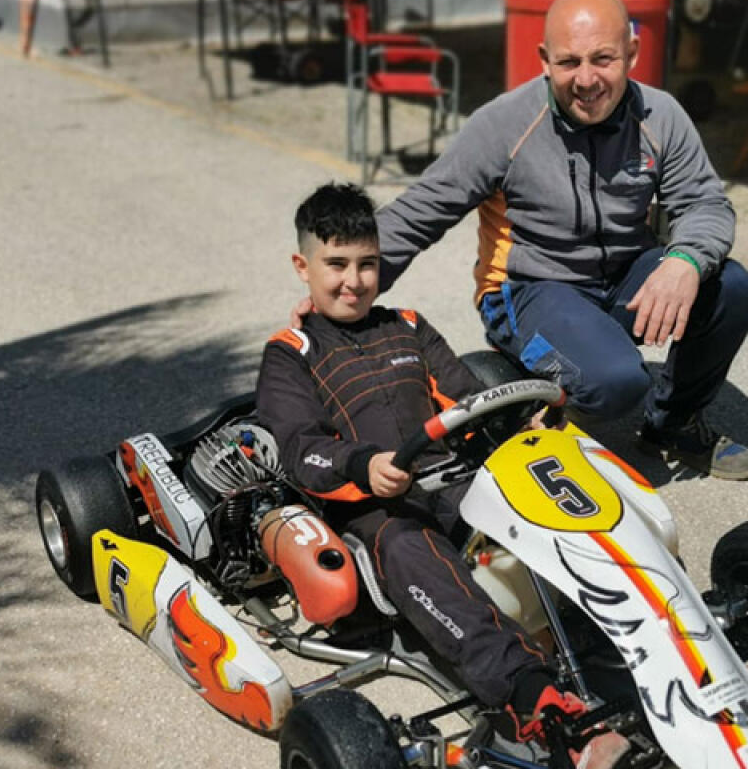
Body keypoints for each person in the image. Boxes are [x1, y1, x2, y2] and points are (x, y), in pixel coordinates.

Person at [257, 182, 629, 767]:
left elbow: (462, 394)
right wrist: (364, 465)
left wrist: (518, 415)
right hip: (372, 508)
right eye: (336, 265)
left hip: (450, 476)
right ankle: (533, 700)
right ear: (303, 266)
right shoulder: (291, 352)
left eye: (366, 264)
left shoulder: (406, 325)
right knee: (410, 548)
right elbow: (301, 449)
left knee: (555, 493)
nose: (353, 281)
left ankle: (656, 630)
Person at [372, 0, 748, 480]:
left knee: (729, 285)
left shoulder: (661, 116)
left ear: (633, 54)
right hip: (530, 287)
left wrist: (684, 260)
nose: (587, 79)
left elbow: (705, 202)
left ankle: (674, 423)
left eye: (604, 59)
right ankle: (537, 388)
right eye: (569, 62)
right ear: (544, 60)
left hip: (620, 278)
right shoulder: (503, 124)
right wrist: (340, 288)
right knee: (616, 383)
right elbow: (418, 212)